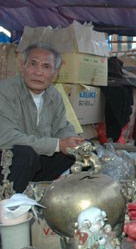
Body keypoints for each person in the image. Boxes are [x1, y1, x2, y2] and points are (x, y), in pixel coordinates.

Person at [0, 42, 84, 193]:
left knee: (84, 153)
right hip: (6, 162)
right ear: (22, 66)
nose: (38, 72)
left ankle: (63, 202)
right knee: (25, 153)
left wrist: (72, 141)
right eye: (33, 64)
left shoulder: (53, 94)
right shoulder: (5, 92)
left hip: (35, 163)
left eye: (46, 67)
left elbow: (62, 127)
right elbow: (6, 137)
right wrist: (58, 145)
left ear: (55, 74)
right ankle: (9, 206)